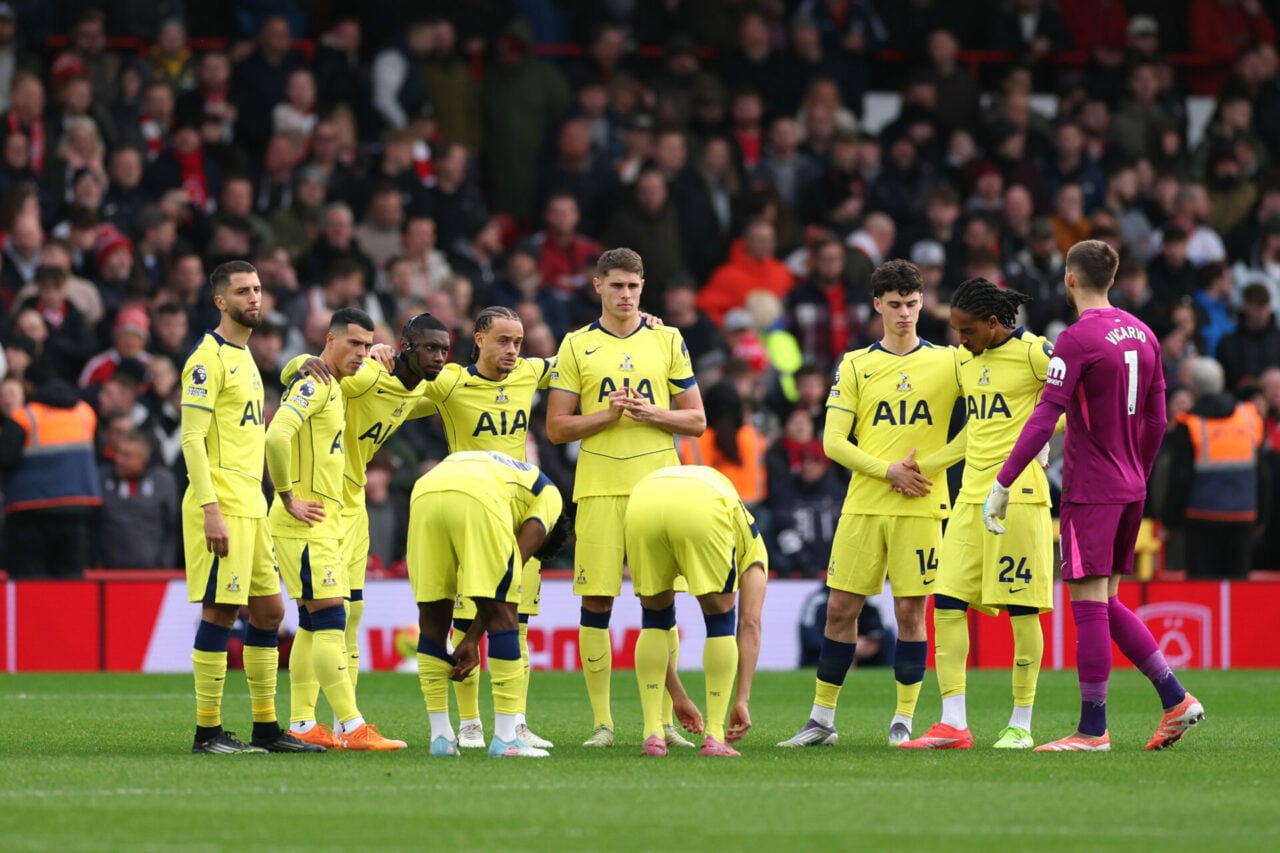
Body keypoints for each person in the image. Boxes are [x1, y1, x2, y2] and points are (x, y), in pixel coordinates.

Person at [989, 239, 1203, 752]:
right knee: (1106, 600)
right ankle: (1175, 699)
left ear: (1069, 278)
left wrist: (1003, 480)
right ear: (1112, 279)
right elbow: (1156, 419)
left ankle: (1092, 729)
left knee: (1086, 602)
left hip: (1092, 488)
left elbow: (1046, 416)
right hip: (1131, 486)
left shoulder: (1077, 339)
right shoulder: (1145, 334)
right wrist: (1139, 471)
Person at [778, 259, 959, 749]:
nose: (905, 313)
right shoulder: (856, 363)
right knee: (840, 607)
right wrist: (889, 471)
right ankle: (821, 720)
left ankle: (902, 719)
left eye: (913, 303)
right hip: (864, 504)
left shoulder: (949, 361)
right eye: (895, 304)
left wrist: (930, 467)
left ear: (923, 303)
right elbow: (833, 441)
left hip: (921, 505)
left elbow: (980, 427)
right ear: (877, 305)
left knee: (909, 612)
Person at [546, 247, 706, 748]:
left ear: (643, 287)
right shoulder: (575, 345)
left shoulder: (668, 338)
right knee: (597, 601)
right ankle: (602, 723)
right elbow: (556, 428)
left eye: (634, 286)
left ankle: (656, 723)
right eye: (616, 285)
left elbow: (696, 419)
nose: (626, 294)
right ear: (598, 286)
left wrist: (651, 412)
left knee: (660, 602)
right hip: (597, 489)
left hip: (659, 489)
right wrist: (607, 416)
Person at [279, 312, 451, 747]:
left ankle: (324, 725)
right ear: (405, 348)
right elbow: (315, 373)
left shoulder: (423, 391)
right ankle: (344, 723)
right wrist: (298, 362)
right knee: (327, 618)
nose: (438, 358)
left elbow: (473, 384)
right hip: (318, 501)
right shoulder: (367, 374)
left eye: (444, 351)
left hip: (351, 506)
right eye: (429, 349)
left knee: (344, 616)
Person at [899, 278, 1056, 750]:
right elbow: (976, 432)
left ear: (993, 322)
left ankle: (1021, 724)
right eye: (955, 331)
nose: (959, 340)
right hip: (969, 498)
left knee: (1021, 610)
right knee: (945, 603)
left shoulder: (1036, 353)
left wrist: (1045, 432)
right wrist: (925, 465)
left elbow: (1076, 401)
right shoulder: (967, 362)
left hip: (1021, 497)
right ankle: (953, 723)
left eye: (967, 331)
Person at [180, 260, 316, 754]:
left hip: (253, 506)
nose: (254, 298)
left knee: (269, 612)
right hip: (221, 502)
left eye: (258, 290)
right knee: (221, 611)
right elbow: (192, 440)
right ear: (221, 301)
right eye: (243, 292)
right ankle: (208, 732)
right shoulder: (206, 359)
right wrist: (210, 508)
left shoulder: (248, 359)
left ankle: (265, 727)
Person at [409, 306, 559, 750]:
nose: (512, 350)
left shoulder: (531, 373)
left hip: (518, 513)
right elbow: (399, 392)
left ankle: (516, 721)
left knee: (518, 622)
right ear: (478, 339)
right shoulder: (452, 380)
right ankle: (471, 724)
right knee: (462, 619)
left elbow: (584, 357)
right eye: (502, 341)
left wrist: (639, 324)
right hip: (468, 513)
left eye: (518, 341)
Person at [265, 307, 406, 752]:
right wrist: (287, 495)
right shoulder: (318, 384)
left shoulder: (334, 386)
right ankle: (351, 725)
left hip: (319, 522)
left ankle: (304, 725)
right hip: (305, 523)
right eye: (354, 344)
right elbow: (275, 435)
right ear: (329, 339)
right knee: (329, 619)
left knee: (312, 622)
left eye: (367, 346)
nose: (361, 353)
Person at [407, 450, 569, 758]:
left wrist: (469, 638)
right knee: (505, 614)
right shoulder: (551, 497)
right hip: (476, 495)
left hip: (426, 488)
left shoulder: (516, 475)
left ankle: (440, 737)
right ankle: (507, 739)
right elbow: (507, 577)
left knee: (432, 616)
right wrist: (472, 638)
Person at [627, 465, 768, 757]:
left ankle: (653, 734)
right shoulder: (755, 551)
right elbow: (750, 624)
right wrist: (742, 699)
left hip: (643, 498)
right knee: (720, 619)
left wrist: (678, 697)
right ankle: (715, 735)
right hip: (701, 505)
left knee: (654, 619)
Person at [1161, 356, 1265, 580]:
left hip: (1201, 519)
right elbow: (1262, 473)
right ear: (1222, 382)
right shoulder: (1249, 416)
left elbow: (1180, 478)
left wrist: (1170, 521)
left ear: (1194, 388)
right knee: (1238, 588)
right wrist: (1261, 517)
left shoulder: (1189, 424)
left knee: (1203, 587)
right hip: (1243, 517)